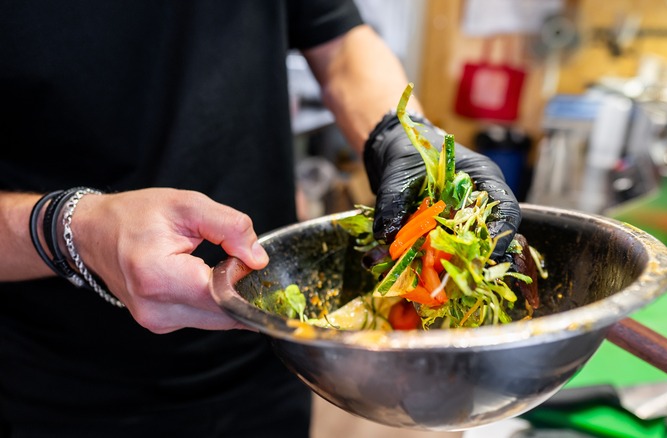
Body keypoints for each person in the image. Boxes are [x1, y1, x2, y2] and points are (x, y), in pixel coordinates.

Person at [0, 1, 520, 436]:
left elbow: (339, 42)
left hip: (268, 362)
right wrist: (72, 229)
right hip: (55, 390)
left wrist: (398, 132)